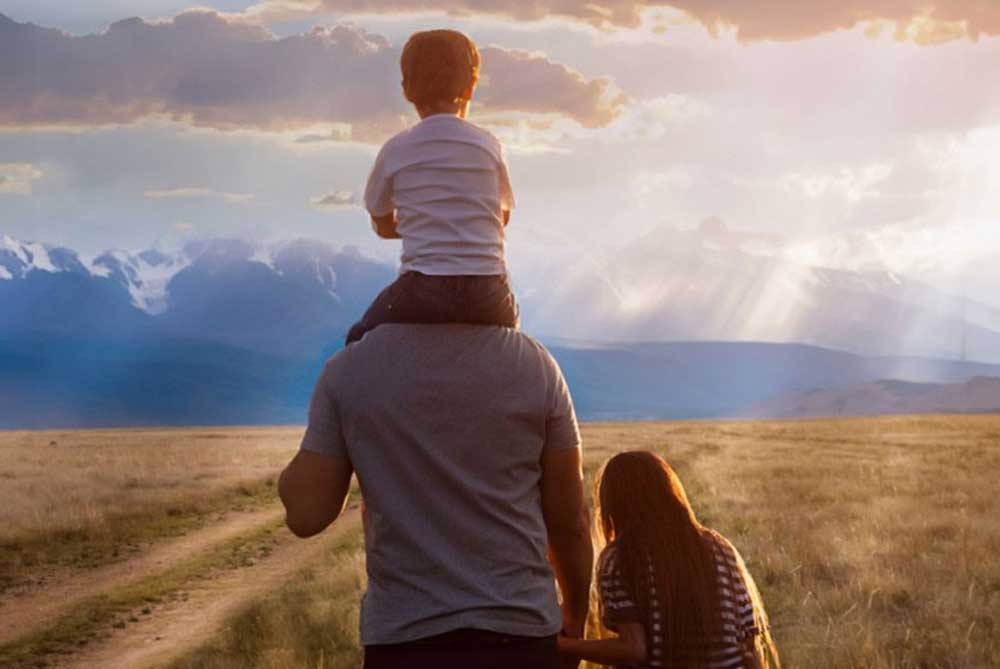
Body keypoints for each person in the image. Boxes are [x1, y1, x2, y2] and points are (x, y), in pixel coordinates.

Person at [278, 323, 593, 668]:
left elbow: (305, 515)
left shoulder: (350, 369)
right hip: (521, 635)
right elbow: (570, 521)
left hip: (406, 640)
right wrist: (575, 617)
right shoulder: (536, 364)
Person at [345, 29, 519, 345]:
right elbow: (502, 218)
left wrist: (420, 222)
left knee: (359, 339)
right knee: (513, 339)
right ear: (471, 87)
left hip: (423, 290)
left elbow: (382, 224)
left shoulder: (396, 149)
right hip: (489, 292)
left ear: (406, 89)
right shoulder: (488, 146)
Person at [557, 451, 780, 669]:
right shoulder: (721, 548)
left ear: (614, 503)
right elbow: (747, 645)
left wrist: (563, 645)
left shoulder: (621, 558)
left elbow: (633, 649)